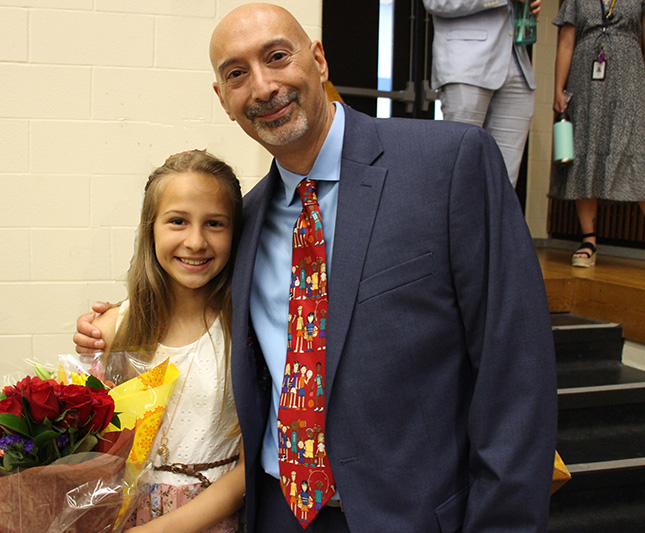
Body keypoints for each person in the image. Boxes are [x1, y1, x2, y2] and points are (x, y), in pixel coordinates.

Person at [77, 4, 558, 531]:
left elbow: (515, 370)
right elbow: (194, 297)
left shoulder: (448, 164)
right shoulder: (247, 219)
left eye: (277, 57)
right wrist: (115, 323)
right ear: (224, 100)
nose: (262, 87)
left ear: (319, 60)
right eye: (237, 74)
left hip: (413, 516)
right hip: (275, 512)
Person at [90, 150, 245, 532]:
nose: (195, 241)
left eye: (214, 223)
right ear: (150, 228)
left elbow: (252, 465)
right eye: (177, 221)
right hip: (123, 515)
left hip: (213, 517)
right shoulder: (113, 329)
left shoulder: (246, 331)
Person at [550, 0, 645, 272]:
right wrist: (558, 86)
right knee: (585, 149)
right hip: (584, 79)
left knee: (641, 149)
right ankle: (588, 241)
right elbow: (567, 40)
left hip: (630, 78)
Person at [423, 0, 542, 188]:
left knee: (504, 183)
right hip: (467, 65)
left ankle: (496, 219)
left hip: (517, 63)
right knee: (456, 171)